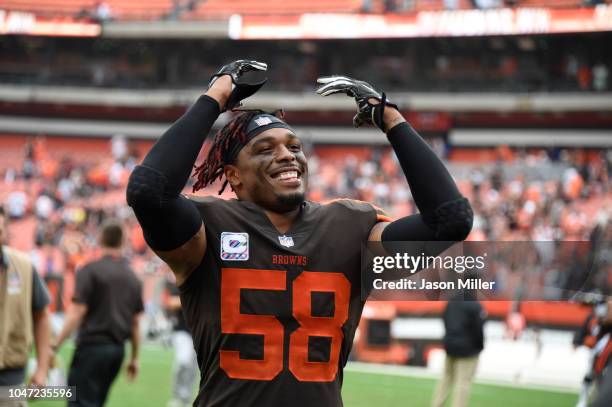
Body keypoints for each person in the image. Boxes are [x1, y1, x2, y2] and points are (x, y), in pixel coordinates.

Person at [126, 60, 473, 406]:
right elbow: (148, 191)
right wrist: (215, 97)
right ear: (233, 176)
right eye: (265, 149)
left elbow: (450, 220)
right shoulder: (209, 228)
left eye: (294, 147)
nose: (287, 156)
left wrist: (390, 119)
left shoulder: (349, 226)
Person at [52, 219, 144, 407]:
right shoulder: (133, 278)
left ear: (100, 238)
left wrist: (55, 345)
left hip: (91, 349)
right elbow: (135, 323)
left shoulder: (90, 270)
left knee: (80, 403)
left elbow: (76, 312)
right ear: (123, 241)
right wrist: (134, 358)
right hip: (117, 352)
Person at [0, 206, 51, 405]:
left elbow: (42, 316)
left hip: (10, 383)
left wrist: (42, 369)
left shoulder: (24, 266)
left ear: (5, 233)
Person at [431, 288, 486, 407]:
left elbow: (444, 319)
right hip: (468, 350)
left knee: (446, 378)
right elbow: (479, 330)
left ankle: (437, 404)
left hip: (450, 346)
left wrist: (449, 338)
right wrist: (479, 346)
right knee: (463, 382)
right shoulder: (475, 305)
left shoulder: (452, 301)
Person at [164, 275, 198, 407]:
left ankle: (186, 398)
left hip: (198, 332)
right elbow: (171, 303)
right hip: (182, 330)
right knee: (183, 362)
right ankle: (177, 395)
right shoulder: (181, 282)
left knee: (193, 368)